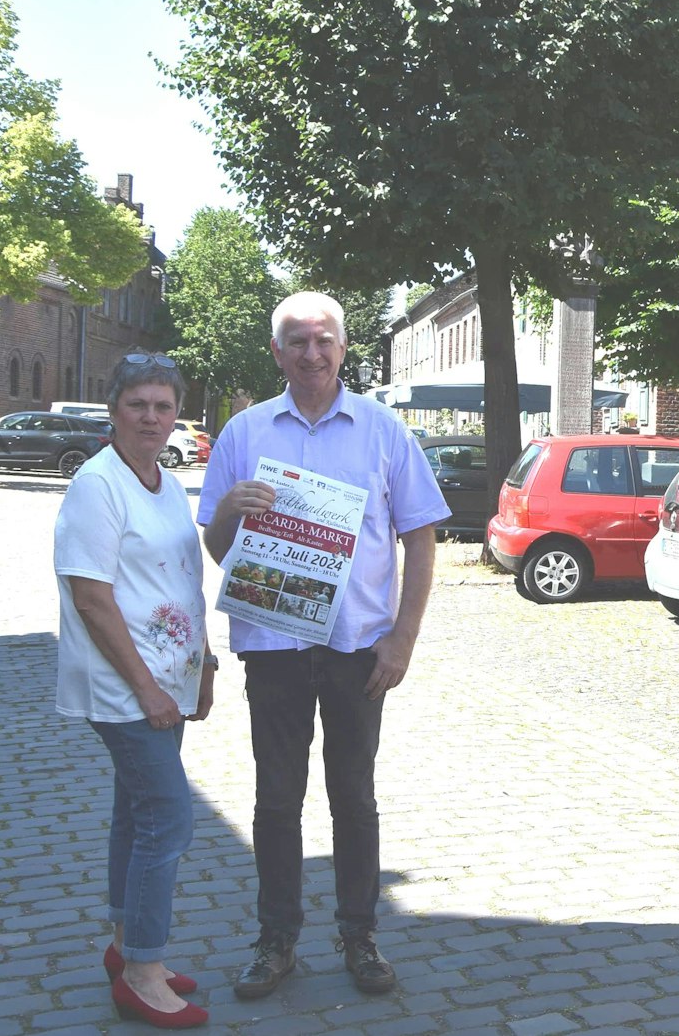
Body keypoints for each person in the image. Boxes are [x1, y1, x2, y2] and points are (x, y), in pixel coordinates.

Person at [198, 291, 448, 999]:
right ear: (276, 352)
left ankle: (359, 934)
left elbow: (420, 536)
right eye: (297, 341)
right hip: (274, 645)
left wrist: (403, 638)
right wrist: (226, 514)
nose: (312, 352)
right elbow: (218, 550)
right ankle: (276, 939)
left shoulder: (382, 430)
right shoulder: (244, 433)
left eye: (324, 340)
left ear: (343, 348)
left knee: (354, 798)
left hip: (356, 650)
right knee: (275, 800)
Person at [54, 352, 214, 1030]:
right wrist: (148, 686)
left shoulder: (165, 481)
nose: (152, 417)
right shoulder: (98, 486)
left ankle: (125, 948)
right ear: (112, 409)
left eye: (163, 405)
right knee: (168, 814)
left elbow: (179, 578)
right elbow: (91, 598)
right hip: (126, 686)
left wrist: (201, 667)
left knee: (135, 811)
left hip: (168, 680)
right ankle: (144, 973)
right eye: (137, 404)